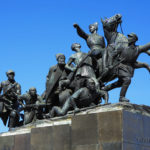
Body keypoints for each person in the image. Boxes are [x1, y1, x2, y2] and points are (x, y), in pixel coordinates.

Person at [102, 33, 150, 102]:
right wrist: (109, 65)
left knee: (120, 83)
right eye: (128, 37)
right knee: (127, 80)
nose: (128, 38)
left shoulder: (138, 48)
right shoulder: (122, 47)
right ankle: (121, 97)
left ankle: (105, 89)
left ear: (134, 40)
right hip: (121, 66)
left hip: (130, 66)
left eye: (130, 37)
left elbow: (147, 46)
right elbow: (112, 55)